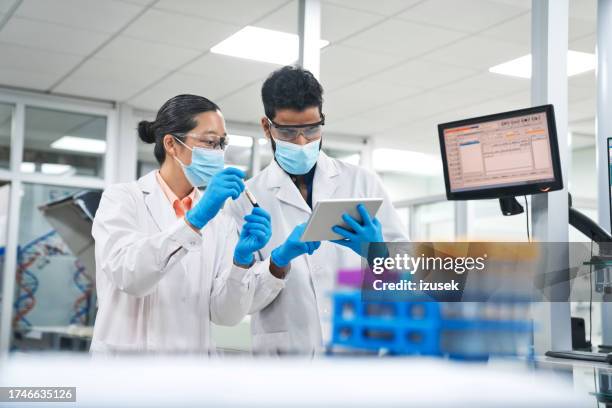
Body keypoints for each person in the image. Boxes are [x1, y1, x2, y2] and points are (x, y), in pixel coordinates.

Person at [227, 66, 408, 355]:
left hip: (356, 354)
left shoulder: (363, 183)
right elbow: (237, 302)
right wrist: (277, 262)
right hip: (286, 363)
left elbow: (409, 280)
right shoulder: (246, 198)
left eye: (312, 129)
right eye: (287, 131)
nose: (301, 142)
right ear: (267, 127)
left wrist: (379, 254)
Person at [91, 94, 285, 354]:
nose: (218, 153)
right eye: (209, 142)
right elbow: (130, 275)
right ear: (171, 144)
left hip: (192, 371)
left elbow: (224, 315)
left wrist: (241, 262)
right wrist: (196, 219)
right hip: (130, 370)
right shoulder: (123, 199)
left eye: (221, 143)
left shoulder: (221, 217)